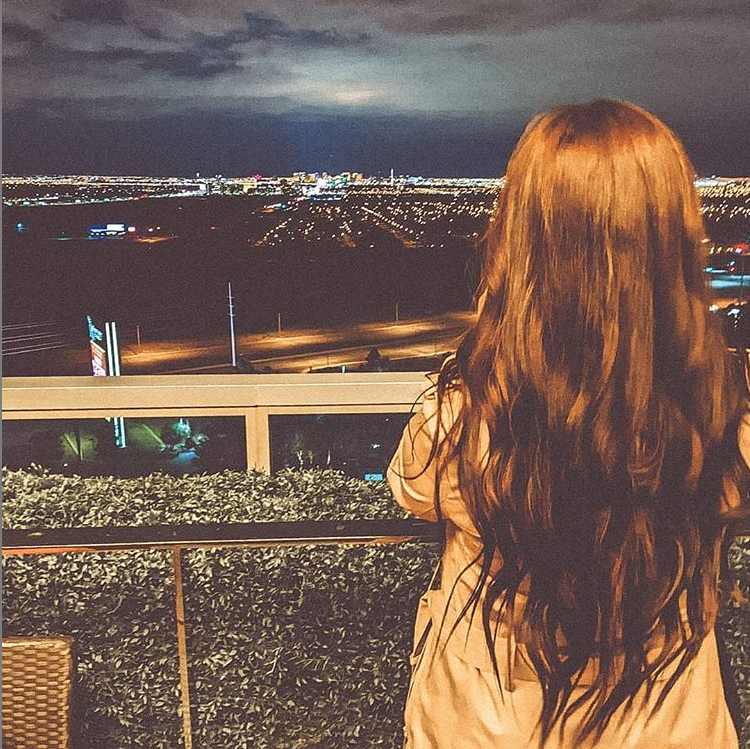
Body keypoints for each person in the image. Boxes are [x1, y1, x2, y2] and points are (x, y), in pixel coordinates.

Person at [387, 99, 750, 749]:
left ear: (523, 236)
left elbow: (412, 491)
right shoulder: (720, 409)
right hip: (670, 719)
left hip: (487, 720)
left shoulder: (463, 413)